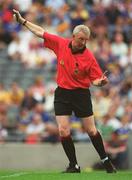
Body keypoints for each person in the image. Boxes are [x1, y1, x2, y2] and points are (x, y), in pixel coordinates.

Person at [12, 9, 116, 173]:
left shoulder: (89, 57)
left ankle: (105, 160)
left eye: (85, 40)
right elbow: (41, 32)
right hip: (62, 92)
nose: (83, 42)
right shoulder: (61, 43)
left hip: (81, 93)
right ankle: (74, 165)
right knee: (63, 130)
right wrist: (23, 21)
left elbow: (95, 79)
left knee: (91, 130)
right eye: (80, 39)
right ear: (73, 37)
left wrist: (100, 83)